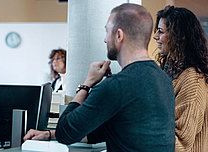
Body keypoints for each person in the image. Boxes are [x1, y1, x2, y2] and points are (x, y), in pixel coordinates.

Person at [23, 3, 176, 151]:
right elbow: (101, 131)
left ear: (119, 35)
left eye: (107, 31)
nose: (105, 39)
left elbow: (65, 132)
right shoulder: (163, 79)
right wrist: (48, 135)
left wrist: (87, 84)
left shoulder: (117, 85)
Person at [153, 6, 208, 152]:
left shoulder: (193, 81)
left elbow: (181, 143)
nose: (155, 36)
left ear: (179, 36)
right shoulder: (169, 71)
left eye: (161, 31)